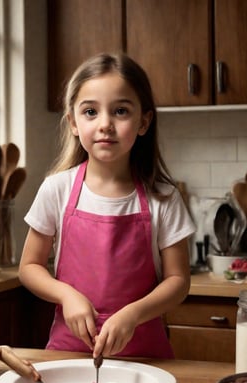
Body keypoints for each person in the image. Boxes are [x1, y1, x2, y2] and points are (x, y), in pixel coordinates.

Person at [19, 53, 196, 359]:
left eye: (120, 111)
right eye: (90, 111)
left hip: (145, 358)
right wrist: (67, 295)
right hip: (69, 355)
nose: (105, 124)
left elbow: (178, 281)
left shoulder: (163, 198)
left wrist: (133, 314)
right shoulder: (56, 189)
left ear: (143, 122)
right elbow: (29, 267)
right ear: (73, 123)